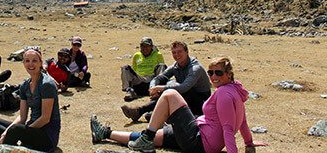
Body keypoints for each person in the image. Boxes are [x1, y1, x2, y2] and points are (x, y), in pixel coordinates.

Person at [91, 57, 269, 153]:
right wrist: (249, 142)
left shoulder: (223, 93)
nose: (213, 76)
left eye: (218, 72)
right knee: (155, 136)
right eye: (210, 72)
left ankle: (145, 138)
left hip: (200, 141)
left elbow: (228, 129)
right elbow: (243, 122)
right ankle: (105, 133)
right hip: (199, 134)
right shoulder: (236, 90)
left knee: (170, 94)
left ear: (228, 74)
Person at [0, 47, 61, 152]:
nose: (31, 64)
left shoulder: (46, 84)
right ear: (23, 63)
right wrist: (7, 131)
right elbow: (22, 117)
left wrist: (23, 132)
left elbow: (45, 118)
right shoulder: (25, 85)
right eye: (27, 61)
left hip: (46, 136)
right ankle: (12, 142)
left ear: (40, 63)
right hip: (30, 129)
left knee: (16, 130)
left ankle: (7, 145)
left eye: (34, 61)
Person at [121, 41, 211, 122]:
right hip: (185, 99)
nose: (177, 55)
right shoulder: (176, 66)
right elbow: (159, 77)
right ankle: (156, 113)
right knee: (169, 85)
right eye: (174, 52)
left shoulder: (195, 68)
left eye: (180, 52)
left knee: (174, 88)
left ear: (187, 52)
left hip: (201, 102)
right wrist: (153, 88)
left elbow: (184, 87)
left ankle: (143, 111)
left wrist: (162, 88)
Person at [121, 37, 166, 101]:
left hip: (152, 79)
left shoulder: (158, 55)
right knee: (125, 68)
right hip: (140, 80)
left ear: (151, 47)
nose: (145, 48)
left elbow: (162, 70)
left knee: (161, 66)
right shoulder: (137, 55)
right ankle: (129, 90)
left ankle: (157, 91)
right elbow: (134, 70)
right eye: (142, 46)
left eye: (147, 46)